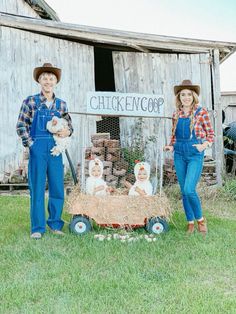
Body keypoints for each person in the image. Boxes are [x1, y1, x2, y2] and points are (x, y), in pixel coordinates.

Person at [16, 63, 73, 239]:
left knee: (57, 187)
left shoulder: (61, 104)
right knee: (38, 188)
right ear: (39, 81)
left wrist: (66, 132)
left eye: (51, 78)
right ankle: (37, 228)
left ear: (56, 81)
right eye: (44, 78)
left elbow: (70, 126)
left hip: (55, 149)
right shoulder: (30, 101)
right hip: (38, 150)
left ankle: (55, 224)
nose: (48, 81)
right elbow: (21, 125)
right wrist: (31, 144)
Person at [164, 80, 214, 234]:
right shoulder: (176, 114)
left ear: (193, 96)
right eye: (183, 94)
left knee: (189, 189)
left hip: (194, 154)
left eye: (189, 94)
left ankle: (200, 220)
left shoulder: (201, 112)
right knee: (183, 190)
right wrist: (170, 146)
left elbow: (211, 135)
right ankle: (190, 223)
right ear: (179, 97)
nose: (186, 97)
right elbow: (174, 135)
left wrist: (203, 145)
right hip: (179, 154)